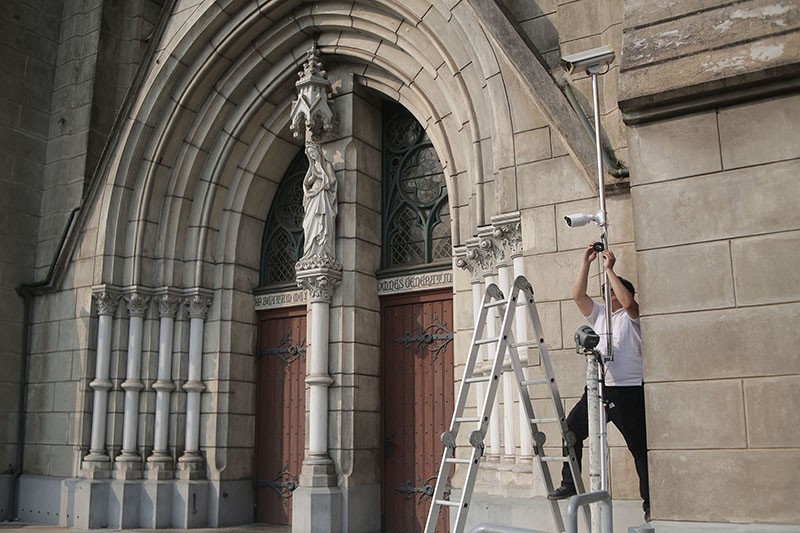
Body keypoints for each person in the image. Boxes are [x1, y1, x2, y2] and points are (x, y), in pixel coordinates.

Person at [547, 243, 650, 522]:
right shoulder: (601, 315)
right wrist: (586, 263)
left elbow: (628, 303)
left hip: (627, 391)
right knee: (572, 430)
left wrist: (610, 270)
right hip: (599, 389)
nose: (607, 294)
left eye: (611, 291)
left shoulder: (633, 316)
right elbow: (578, 295)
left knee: (639, 448)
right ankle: (570, 482)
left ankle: (650, 504)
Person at [301, 141, 337, 260]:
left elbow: (332, 181)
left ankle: (322, 251)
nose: (312, 155)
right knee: (309, 223)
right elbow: (307, 183)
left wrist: (320, 175)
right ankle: (310, 252)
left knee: (322, 221)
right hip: (313, 196)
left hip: (322, 196)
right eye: (310, 153)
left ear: (318, 151)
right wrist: (311, 180)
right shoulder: (312, 167)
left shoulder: (327, 165)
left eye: (313, 152)